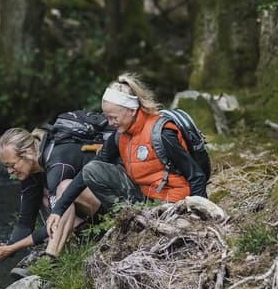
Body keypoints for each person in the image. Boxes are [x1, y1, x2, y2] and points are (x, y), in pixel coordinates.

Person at [45, 73, 207, 240]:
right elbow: (87, 173)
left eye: (113, 117)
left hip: (172, 203)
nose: (109, 123)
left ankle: (143, 224)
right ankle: (130, 221)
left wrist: (200, 216)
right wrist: (58, 209)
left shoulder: (162, 133)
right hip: (145, 199)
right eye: (106, 117)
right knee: (93, 169)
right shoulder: (120, 136)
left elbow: (197, 176)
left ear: (132, 110)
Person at [0, 127, 103, 266]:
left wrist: (13, 248)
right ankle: (86, 237)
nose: (10, 171)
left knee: (64, 188)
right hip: (88, 212)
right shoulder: (31, 171)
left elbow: (55, 220)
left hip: (107, 204)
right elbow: (25, 223)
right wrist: (7, 249)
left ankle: (50, 258)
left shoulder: (56, 163)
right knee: (44, 197)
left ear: (27, 153)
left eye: (12, 165)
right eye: (6, 166)